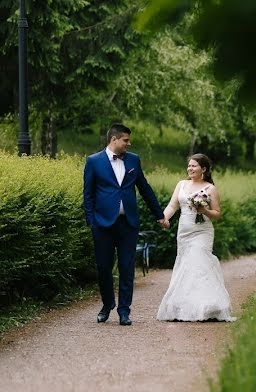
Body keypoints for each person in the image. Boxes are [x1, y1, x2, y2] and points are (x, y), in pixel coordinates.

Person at [83, 123, 169, 326]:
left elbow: (145, 189)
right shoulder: (94, 161)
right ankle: (107, 305)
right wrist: (91, 222)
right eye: (126, 140)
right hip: (102, 225)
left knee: (127, 267)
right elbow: (88, 195)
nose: (128, 144)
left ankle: (124, 311)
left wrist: (159, 214)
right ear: (114, 140)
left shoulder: (133, 160)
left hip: (128, 224)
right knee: (103, 267)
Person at [156, 154, 235, 322]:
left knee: (199, 261)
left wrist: (204, 211)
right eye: (189, 166)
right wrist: (164, 218)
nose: (190, 169)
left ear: (203, 169)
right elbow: (172, 205)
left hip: (203, 232)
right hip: (184, 231)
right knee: (185, 265)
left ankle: (207, 306)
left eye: (194, 166)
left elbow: (217, 213)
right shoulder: (181, 185)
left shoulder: (210, 189)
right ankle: (185, 307)